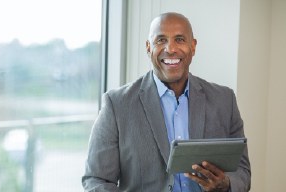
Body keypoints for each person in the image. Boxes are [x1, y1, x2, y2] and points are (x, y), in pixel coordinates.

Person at [82, 12, 251, 192]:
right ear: (148, 47)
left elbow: (243, 173)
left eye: (179, 39)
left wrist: (225, 183)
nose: (170, 49)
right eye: (161, 40)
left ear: (193, 46)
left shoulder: (224, 100)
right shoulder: (116, 105)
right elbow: (96, 180)